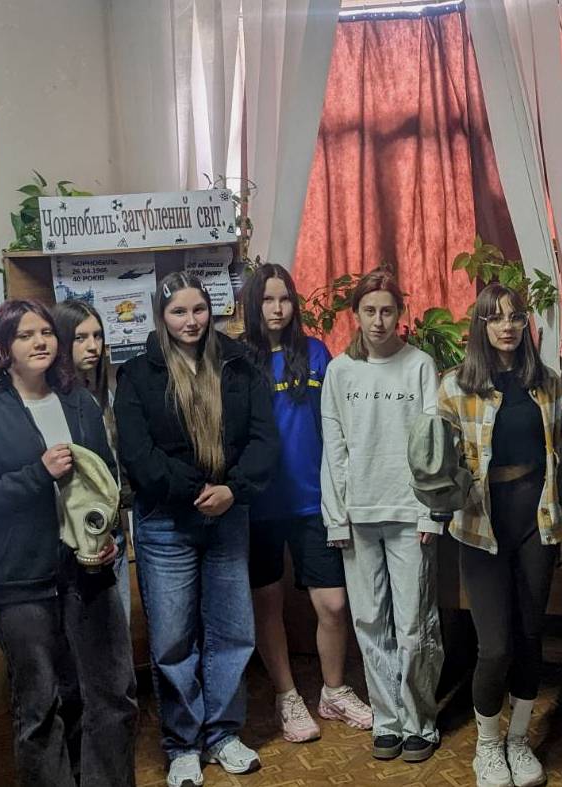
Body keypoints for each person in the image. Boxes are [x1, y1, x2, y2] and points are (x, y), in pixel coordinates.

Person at [0, 299, 137, 787]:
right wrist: (38, 474)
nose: (40, 343)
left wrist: (108, 537)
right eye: (25, 335)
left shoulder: (79, 402)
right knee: (40, 706)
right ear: (0, 348)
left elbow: (104, 482)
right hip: (18, 582)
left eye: (47, 333)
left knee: (113, 694)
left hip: (88, 571)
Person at [115, 273, 279, 787]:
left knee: (233, 631)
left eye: (199, 309)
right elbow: (138, 453)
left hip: (228, 514)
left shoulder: (240, 363)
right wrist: (194, 489)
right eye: (179, 312)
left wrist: (233, 489)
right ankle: (183, 744)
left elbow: (264, 439)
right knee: (172, 639)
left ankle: (223, 734)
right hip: (166, 521)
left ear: (212, 310)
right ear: (161, 317)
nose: (191, 321)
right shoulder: (137, 374)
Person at [438, 282, 562, 787]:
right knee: (494, 646)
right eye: (495, 318)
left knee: (530, 636)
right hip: (481, 525)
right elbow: (434, 463)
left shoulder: (547, 383)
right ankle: (488, 745)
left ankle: (519, 740)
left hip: (537, 520)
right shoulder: (455, 386)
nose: (507, 326)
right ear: (481, 326)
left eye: (515, 316)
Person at [237, 264, 373, 743]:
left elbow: (337, 423)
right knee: (267, 602)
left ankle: (333, 691)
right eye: (267, 300)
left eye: (284, 299)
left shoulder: (315, 353)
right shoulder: (237, 359)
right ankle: (287, 695)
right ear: (252, 305)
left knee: (333, 604)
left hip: (315, 502)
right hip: (259, 506)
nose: (277, 309)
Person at [320, 268, 444, 763]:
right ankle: (388, 719)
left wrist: (431, 514)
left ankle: (420, 722)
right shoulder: (340, 372)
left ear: (400, 314)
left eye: (387, 311)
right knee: (369, 620)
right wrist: (336, 517)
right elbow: (334, 447)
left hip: (410, 512)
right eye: (369, 311)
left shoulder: (420, 365)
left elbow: (434, 447)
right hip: (359, 515)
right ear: (355, 314)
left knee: (414, 623)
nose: (378, 320)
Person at [54, 298, 132, 619]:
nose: (93, 346)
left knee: (119, 627)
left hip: (111, 529)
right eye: (81, 337)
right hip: (77, 536)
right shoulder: (56, 402)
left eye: (97, 336)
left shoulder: (104, 395)